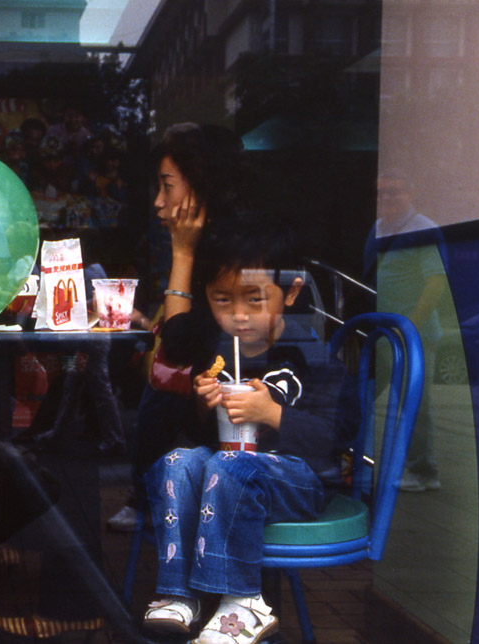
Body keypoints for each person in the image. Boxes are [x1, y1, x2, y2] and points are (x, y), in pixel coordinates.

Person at [141, 222, 358, 643]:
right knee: (178, 461)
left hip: (301, 482)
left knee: (231, 466)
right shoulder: (217, 354)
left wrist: (272, 413)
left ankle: (243, 602)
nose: (238, 315)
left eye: (254, 299)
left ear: (290, 293)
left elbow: (339, 435)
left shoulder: (313, 357)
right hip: (226, 476)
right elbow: (195, 437)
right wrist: (203, 405)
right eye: (222, 300)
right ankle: (179, 593)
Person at [108, 124, 248, 532]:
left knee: (163, 390)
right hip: (214, 404)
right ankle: (147, 497)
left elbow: (181, 345)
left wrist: (182, 253)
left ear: (200, 187)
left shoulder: (222, 250)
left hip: (234, 416)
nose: (158, 201)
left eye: (167, 186)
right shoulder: (214, 239)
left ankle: (148, 501)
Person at [364, 170, 450, 492]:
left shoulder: (422, 229)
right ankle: (350, 458)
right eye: (381, 192)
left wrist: (409, 326)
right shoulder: (379, 227)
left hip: (413, 337)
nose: (386, 198)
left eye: (394, 191)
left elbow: (436, 283)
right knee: (360, 394)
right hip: (382, 334)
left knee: (415, 404)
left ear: (410, 193)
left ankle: (424, 472)